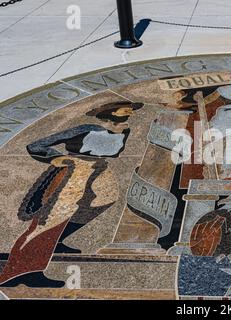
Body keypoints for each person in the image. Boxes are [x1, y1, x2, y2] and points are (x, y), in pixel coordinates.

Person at [0, 102, 144, 287]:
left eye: (130, 110)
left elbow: (112, 152)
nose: (130, 112)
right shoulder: (85, 128)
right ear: (111, 112)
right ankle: (22, 271)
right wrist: (54, 157)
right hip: (75, 170)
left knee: (104, 200)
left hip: (99, 170)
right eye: (126, 109)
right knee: (51, 219)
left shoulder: (123, 131)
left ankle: (57, 239)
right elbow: (37, 145)